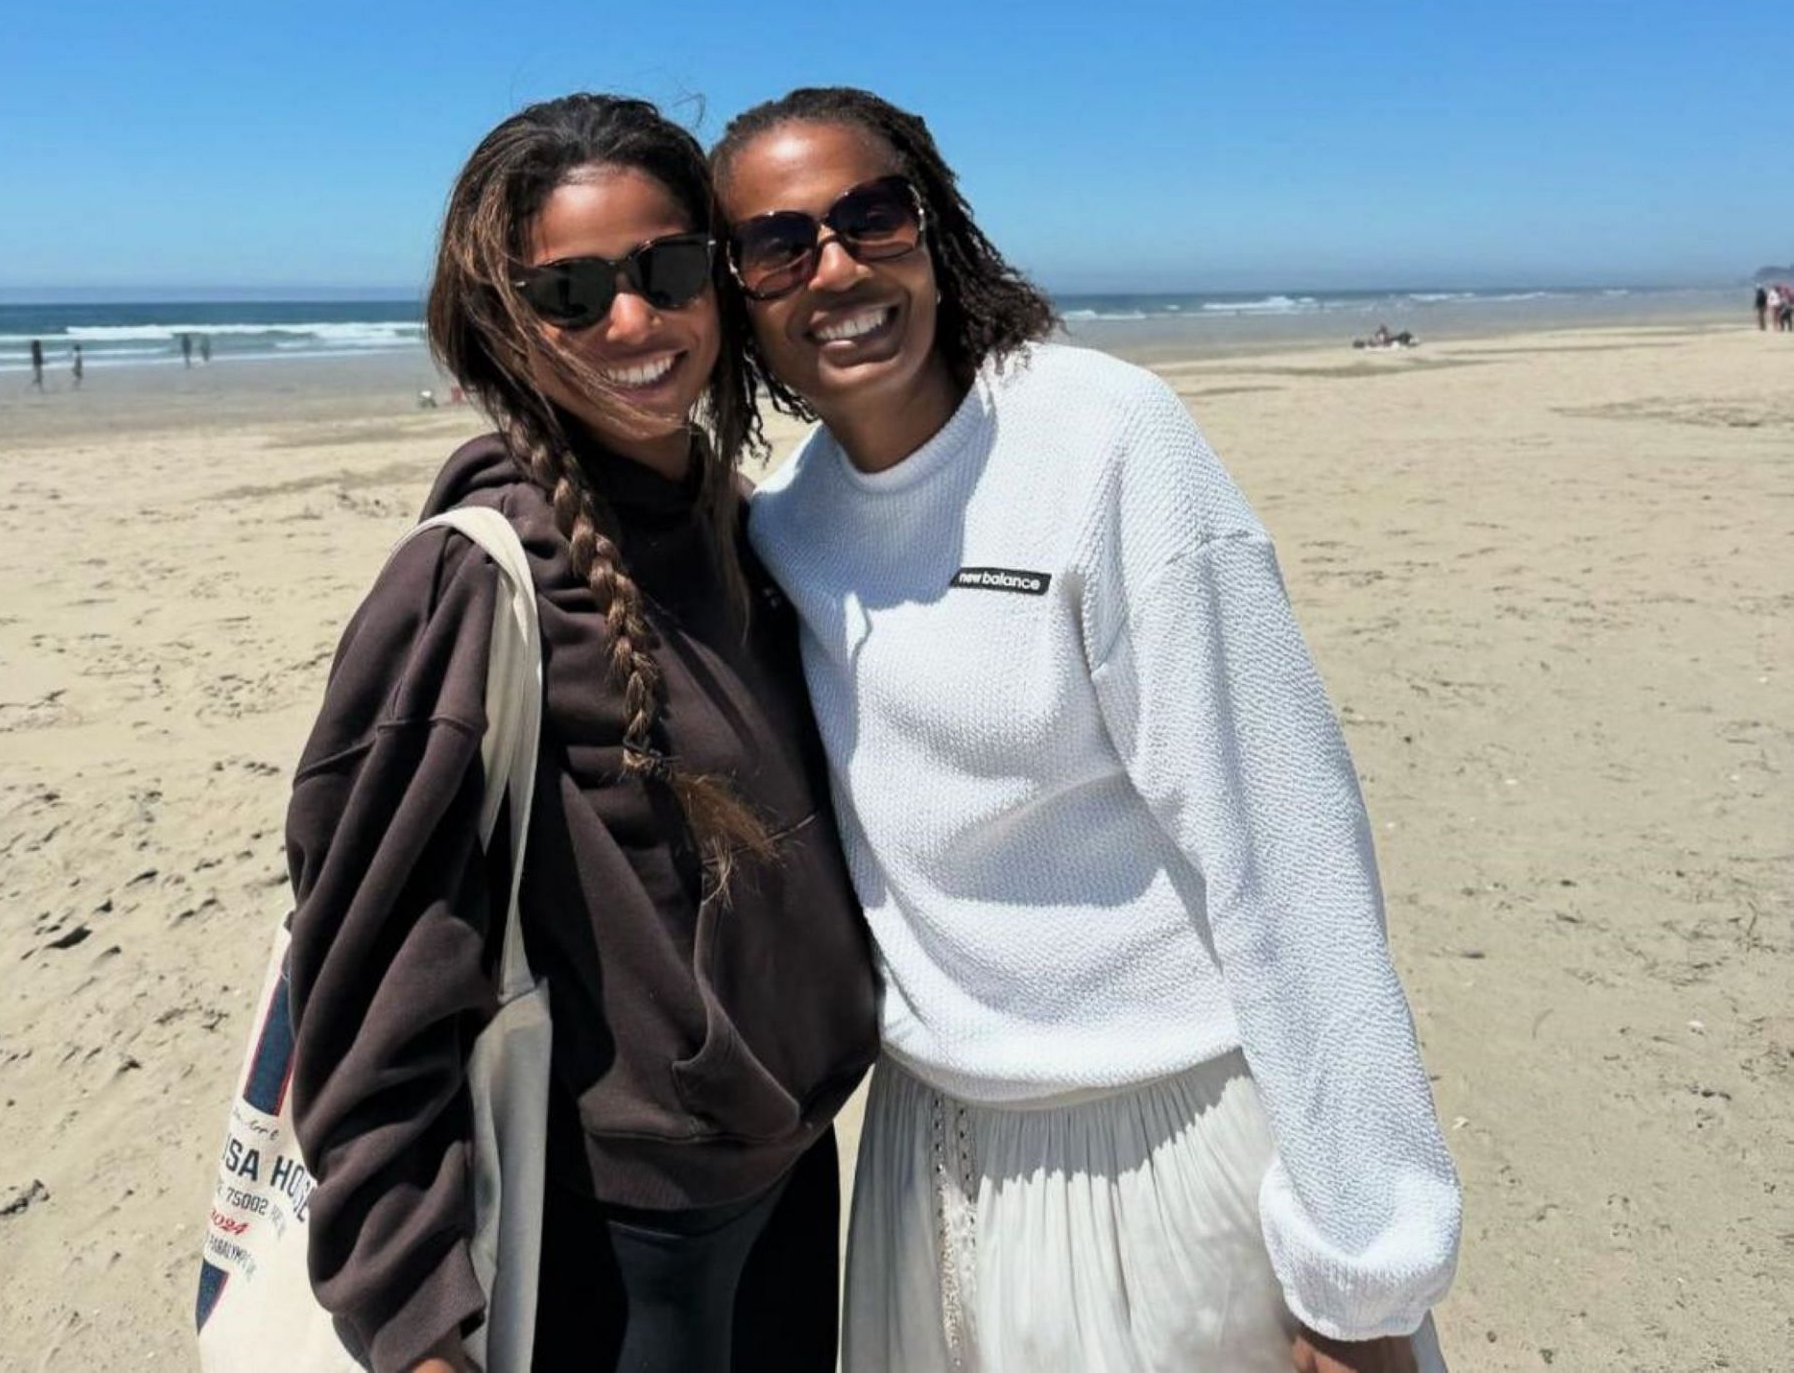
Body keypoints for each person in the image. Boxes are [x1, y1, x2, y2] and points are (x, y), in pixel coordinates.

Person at [713, 86, 1462, 1373]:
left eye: (870, 216)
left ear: (933, 231)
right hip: (921, 1159)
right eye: (779, 244)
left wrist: (1364, 1274)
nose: (834, 266)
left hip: (1158, 1137)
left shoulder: (1107, 440)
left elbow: (1288, 853)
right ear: (740, 295)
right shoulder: (785, 520)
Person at [283, 94, 877, 1373]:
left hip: (790, 1171)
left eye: (668, 269)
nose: (635, 320)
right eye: (573, 293)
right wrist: (415, 1321)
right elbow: (371, 978)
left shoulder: (742, 534)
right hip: (625, 1234)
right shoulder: (473, 581)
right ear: (507, 323)